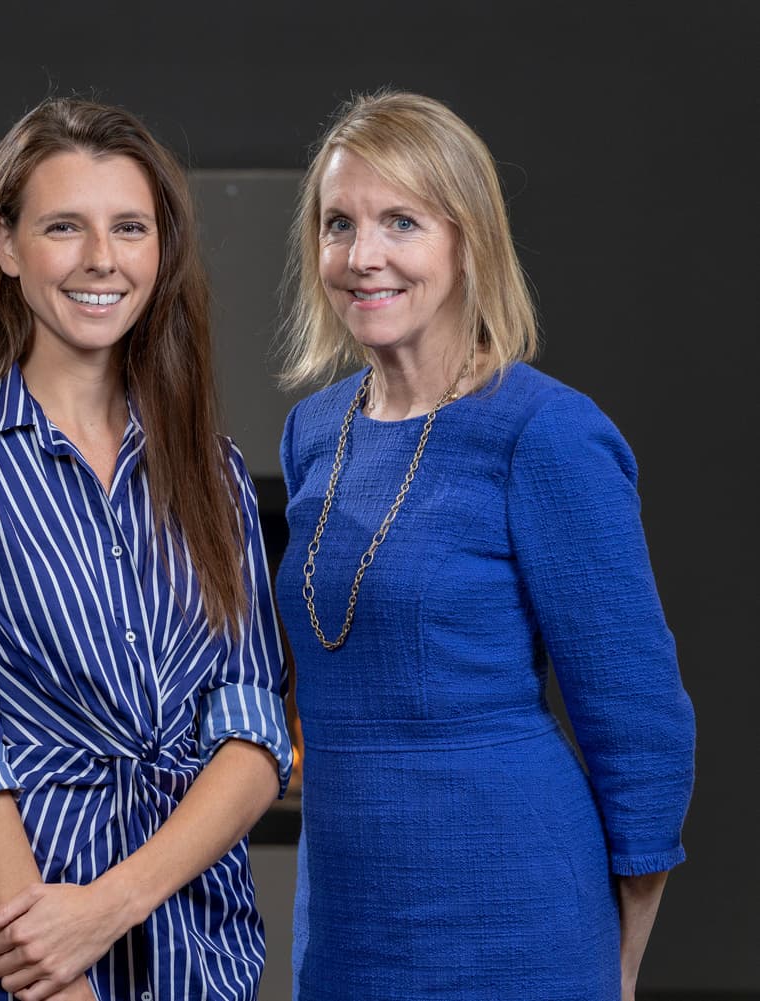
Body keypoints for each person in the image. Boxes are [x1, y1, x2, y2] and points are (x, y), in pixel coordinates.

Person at [274, 90, 696, 1001]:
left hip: (516, 910)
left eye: (402, 222)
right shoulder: (313, 432)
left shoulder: (544, 433)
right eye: (338, 224)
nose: (363, 255)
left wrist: (618, 961)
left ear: (468, 239)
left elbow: (642, 723)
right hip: (347, 912)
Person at [0, 97, 293, 1001]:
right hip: (30, 948)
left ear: (160, 251)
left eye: (129, 227)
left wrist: (112, 903)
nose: (102, 258)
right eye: (65, 226)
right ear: (7, 246)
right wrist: (61, 968)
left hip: (203, 941)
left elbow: (254, 733)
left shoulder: (212, 466)